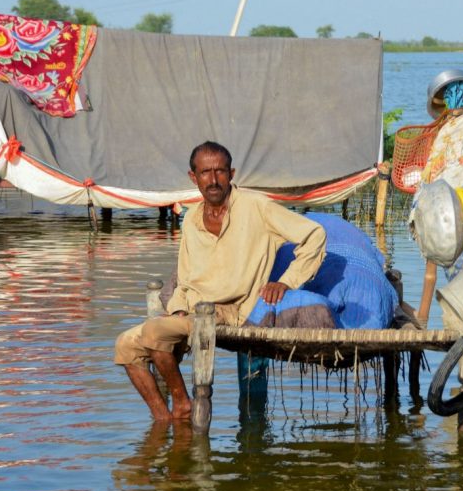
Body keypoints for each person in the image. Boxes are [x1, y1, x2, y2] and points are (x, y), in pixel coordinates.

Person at [114, 141, 326, 420]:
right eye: (205, 172)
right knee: (124, 345)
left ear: (231, 173)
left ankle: (182, 404)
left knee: (154, 333)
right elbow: (185, 277)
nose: (213, 180)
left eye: (220, 171)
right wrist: (177, 308)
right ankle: (163, 420)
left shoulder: (257, 207)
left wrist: (286, 281)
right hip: (193, 311)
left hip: (231, 311)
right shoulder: (191, 218)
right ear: (194, 177)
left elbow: (314, 235)